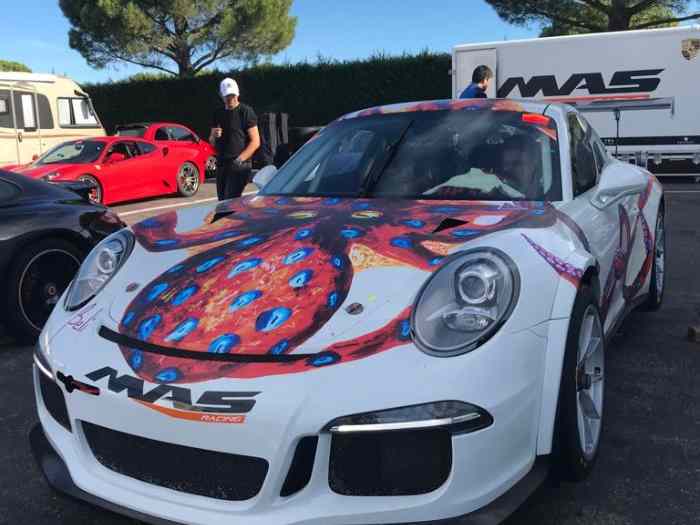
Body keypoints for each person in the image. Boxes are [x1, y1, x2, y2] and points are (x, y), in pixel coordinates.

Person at [209, 78, 261, 200]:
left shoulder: (246, 112)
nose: (231, 98)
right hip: (222, 164)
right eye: (227, 96)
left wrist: (240, 160)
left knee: (230, 200)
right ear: (221, 96)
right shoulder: (218, 113)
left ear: (237, 94)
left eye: (233, 95)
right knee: (222, 201)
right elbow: (211, 141)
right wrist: (214, 136)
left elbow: (255, 141)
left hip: (240, 164)